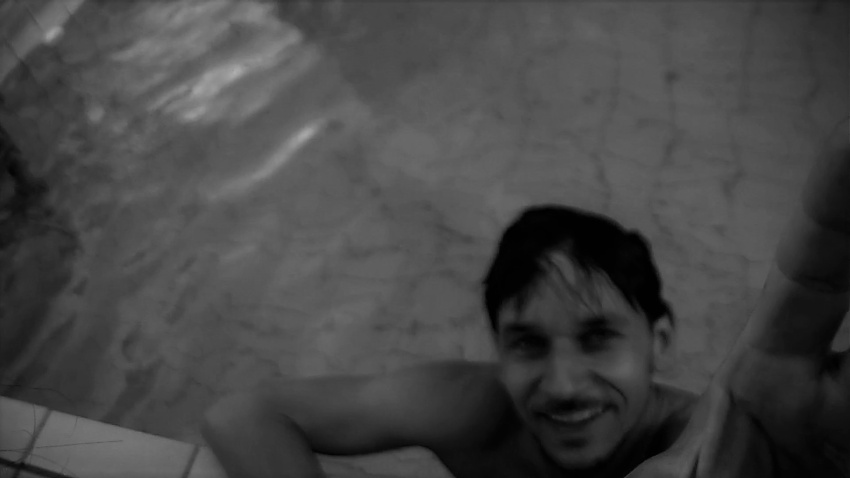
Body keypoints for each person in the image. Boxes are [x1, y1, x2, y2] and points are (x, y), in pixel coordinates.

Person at [202, 119, 850, 478]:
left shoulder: (716, 451)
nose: (563, 385)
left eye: (598, 338)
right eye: (528, 345)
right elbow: (243, 414)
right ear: (497, 350)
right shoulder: (475, 413)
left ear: (657, 340)